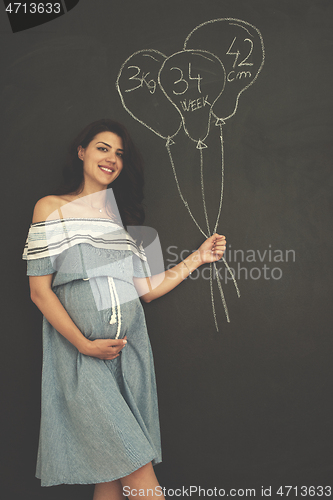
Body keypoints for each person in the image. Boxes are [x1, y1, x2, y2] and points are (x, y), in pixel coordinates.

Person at [23, 119, 226, 499]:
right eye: (103, 148)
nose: (112, 158)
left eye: (119, 153)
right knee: (138, 473)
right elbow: (39, 292)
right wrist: (84, 345)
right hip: (83, 359)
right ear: (82, 152)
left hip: (129, 359)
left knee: (112, 478)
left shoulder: (124, 223)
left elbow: (146, 291)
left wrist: (197, 258)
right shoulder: (52, 208)